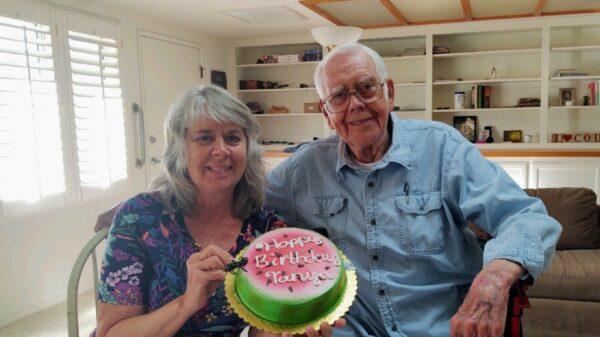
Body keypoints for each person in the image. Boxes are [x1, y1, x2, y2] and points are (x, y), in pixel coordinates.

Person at [265, 43, 562, 337]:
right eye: (339, 96)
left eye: (366, 87)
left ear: (389, 93)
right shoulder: (302, 169)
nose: (354, 104)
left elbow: (526, 217)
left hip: (444, 328)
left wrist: (496, 275)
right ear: (326, 111)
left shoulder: (442, 148)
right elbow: (244, 208)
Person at [95, 85, 343, 337]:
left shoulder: (266, 231)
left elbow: (262, 330)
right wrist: (186, 303)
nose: (221, 150)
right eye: (204, 138)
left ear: (248, 149)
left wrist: (289, 330)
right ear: (179, 149)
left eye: (233, 138)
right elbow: (110, 333)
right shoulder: (139, 219)